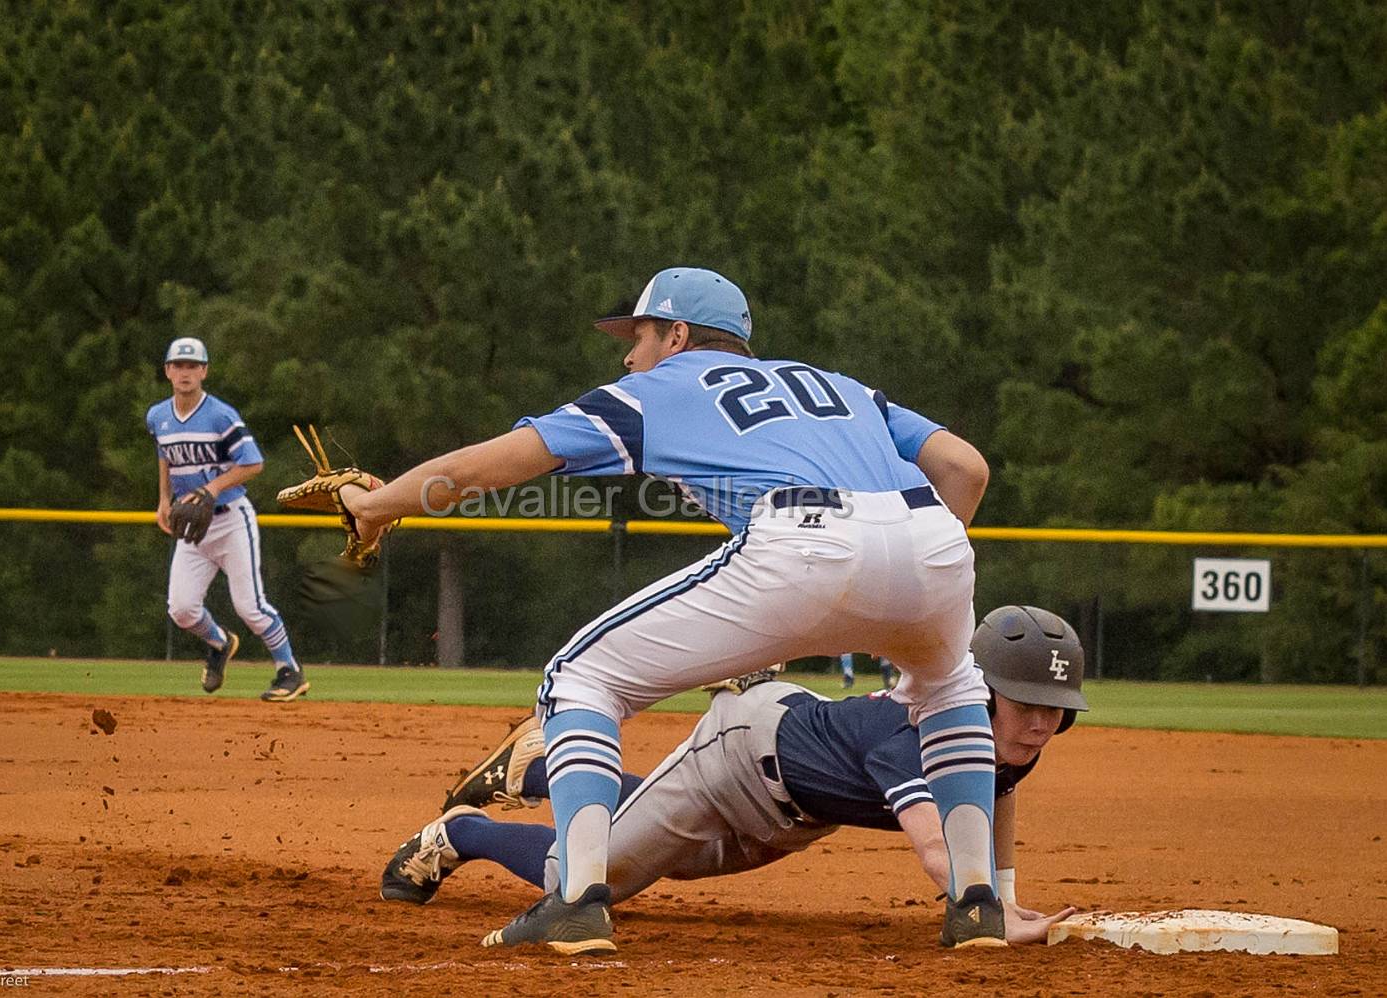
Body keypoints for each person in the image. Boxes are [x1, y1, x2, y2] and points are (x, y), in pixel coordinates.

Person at [344, 266, 997, 952]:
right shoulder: (841, 386)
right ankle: (978, 904)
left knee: (579, 679)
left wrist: (375, 506)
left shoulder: (655, 390)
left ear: (678, 334)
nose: (629, 354)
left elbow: (490, 467)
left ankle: (576, 900)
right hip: (933, 539)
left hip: (800, 539)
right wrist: (901, 573)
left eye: (640, 333)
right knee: (950, 690)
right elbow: (966, 469)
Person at [380, 606, 1088, 947]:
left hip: (791, 815)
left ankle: (538, 769)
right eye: (1026, 705)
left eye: (1054, 711)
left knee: (663, 855)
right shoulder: (918, 735)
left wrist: (1010, 897)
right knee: (587, 877)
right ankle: (462, 834)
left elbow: (996, 799)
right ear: (983, 694)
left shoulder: (1013, 740)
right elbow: (940, 848)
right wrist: (984, 910)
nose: (1039, 724)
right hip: (742, 754)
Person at [146, 336, 308, 702]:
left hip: (231, 520)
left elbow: (254, 463)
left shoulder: (221, 415)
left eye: (193, 366)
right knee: (182, 610)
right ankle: (219, 644)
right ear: (168, 371)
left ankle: (289, 670)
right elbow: (164, 456)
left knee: (250, 606)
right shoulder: (158, 416)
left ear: (204, 371)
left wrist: (213, 488)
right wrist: (163, 500)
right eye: (179, 365)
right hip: (192, 527)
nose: (185, 372)